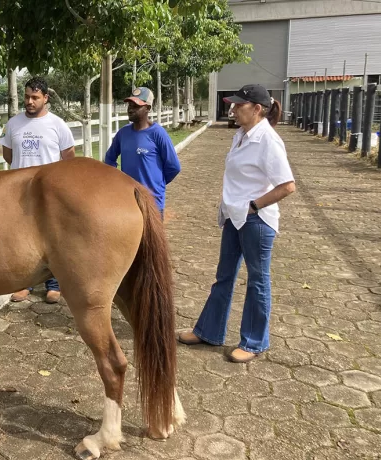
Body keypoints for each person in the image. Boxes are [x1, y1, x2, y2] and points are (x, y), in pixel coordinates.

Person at [177, 84, 296, 363]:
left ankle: (254, 342)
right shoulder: (242, 135)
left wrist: (255, 205)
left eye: (239, 105)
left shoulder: (268, 140)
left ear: (257, 109)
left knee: (257, 281)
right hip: (235, 217)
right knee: (224, 276)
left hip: (255, 222)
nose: (232, 108)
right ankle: (209, 331)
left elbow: (287, 186)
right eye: (233, 104)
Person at [1, 76, 76, 304]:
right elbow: (7, 155)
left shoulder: (57, 125)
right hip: (20, 194)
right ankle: (25, 284)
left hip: (48, 195)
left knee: (52, 240)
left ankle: (54, 285)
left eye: (35, 97)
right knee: (21, 241)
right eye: (26, 97)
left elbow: (68, 159)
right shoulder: (14, 124)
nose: (29, 101)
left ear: (46, 98)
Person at [104, 87, 181, 218]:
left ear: (148, 108)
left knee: (150, 239)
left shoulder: (158, 134)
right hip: (128, 201)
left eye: (136, 106)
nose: (130, 109)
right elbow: (109, 158)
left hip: (152, 203)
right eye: (129, 104)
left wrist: (157, 184)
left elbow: (173, 167)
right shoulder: (123, 133)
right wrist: (117, 181)